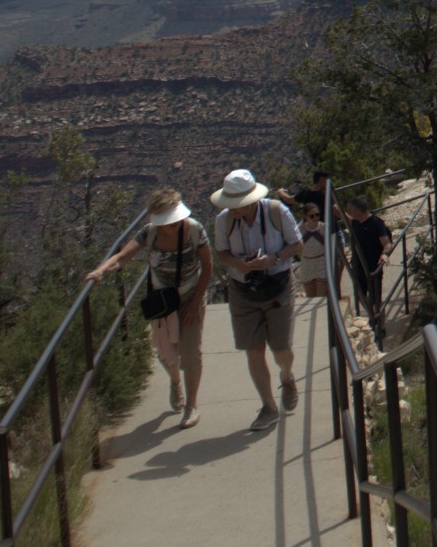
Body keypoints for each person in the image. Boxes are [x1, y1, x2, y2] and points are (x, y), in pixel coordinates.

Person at [86, 187, 212, 429]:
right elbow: (123, 257)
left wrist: (195, 303)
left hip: (190, 298)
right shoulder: (150, 234)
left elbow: (207, 266)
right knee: (166, 353)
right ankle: (175, 382)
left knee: (191, 352)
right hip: (162, 303)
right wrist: (100, 271)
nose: (175, 224)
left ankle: (191, 406)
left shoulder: (194, 230)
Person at [211, 168, 302, 432]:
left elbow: (296, 245)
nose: (234, 210)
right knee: (253, 349)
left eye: (237, 205)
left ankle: (286, 376)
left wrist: (271, 259)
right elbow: (221, 251)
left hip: (278, 284)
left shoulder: (276, 212)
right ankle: (269, 407)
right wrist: (240, 264)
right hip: (242, 290)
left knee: (282, 349)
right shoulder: (224, 221)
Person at [343, 197, 394, 345]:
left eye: (351, 208)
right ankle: (373, 318)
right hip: (359, 266)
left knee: (376, 300)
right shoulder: (356, 223)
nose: (349, 211)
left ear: (358, 209)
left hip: (373, 267)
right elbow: (346, 218)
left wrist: (384, 254)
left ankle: (381, 326)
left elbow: (387, 244)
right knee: (360, 295)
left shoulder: (376, 223)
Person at [295, 202, 334, 299]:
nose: (315, 218)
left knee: (321, 297)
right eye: (312, 216)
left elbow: (330, 246)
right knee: (311, 298)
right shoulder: (300, 230)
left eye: (317, 215)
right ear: (305, 217)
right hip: (306, 264)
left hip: (321, 262)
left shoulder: (324, 227)